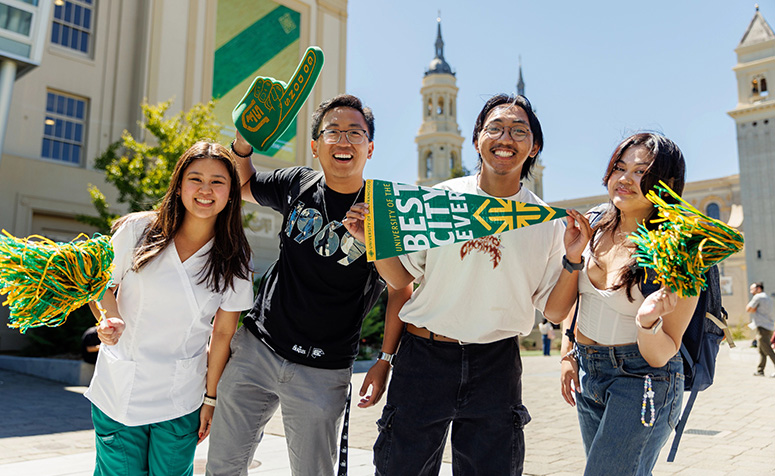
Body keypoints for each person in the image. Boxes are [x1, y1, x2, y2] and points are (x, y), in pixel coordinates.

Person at [344, 94, 589, 475]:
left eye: (519, 131)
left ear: (534, 146)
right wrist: (370, 242)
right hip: (424, 359)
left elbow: (556, 311)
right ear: (477, 140)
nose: (505, 138)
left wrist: (573, 259)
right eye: (495, 128)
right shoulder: (440, 199)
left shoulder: (547, 221)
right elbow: (401, 278)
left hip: (496, 366)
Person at [206, 94, 412, 476]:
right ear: (316, 146)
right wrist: (242, 141)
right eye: (332, 131)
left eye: (355, 132)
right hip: (257, 349)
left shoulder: (384, 208)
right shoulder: (298, 183)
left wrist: (384, 361)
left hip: (324, 368)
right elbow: (244, 183)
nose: (343, 140)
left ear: (370, 147)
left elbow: (401, 286)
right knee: (222, 467)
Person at [84, 141, 254, 475]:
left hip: (181, 397)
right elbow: (99, 284)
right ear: (178, 186)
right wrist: (110, 317)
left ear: (232, 193)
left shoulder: (235, 256)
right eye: (196, 179)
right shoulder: (137, 230)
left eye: (218, 181)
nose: (206, 190)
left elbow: (223, 333)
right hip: (121, 387)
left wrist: (211, 398)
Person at [558, 133, 700, 476]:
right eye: (620, 168)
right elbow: (575, 301)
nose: (625, 179)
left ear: (667, 185)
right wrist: (567, 353)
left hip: (644, 377)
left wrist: (648, 321)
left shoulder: (681, 249)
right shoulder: (592, 224)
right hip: (588, 372)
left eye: (641, 172)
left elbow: (662, 352)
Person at [746, 282, 775, 377]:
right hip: (769, 327)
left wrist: (754, 309)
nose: (751, 292)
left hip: (762, 328)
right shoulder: (768, 297)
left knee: (768, 350)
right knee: (761, 350)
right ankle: (760, 370)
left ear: (758, 288)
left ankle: (761, 370)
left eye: (752, 289)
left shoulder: (758, 297)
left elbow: (748, 309)